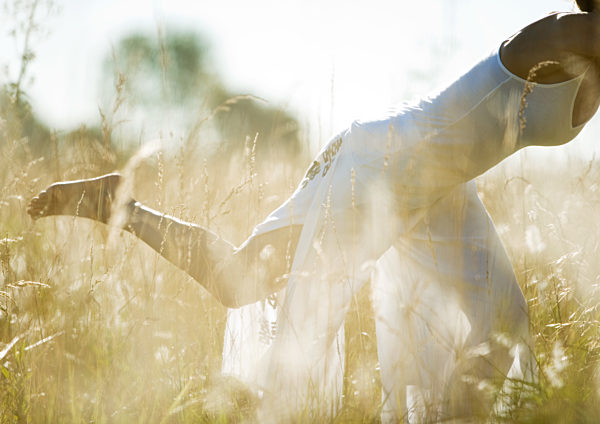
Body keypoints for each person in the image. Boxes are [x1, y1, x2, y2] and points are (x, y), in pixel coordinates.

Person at [27, 1, 600, 420]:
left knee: (505, 319)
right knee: (241, 283)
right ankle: (118, 204)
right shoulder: (563, 33)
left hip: (443, 190)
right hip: (384, 163)